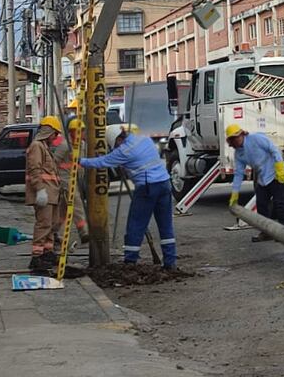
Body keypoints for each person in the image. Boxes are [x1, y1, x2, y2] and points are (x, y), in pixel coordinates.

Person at [79, 125, 177, 270]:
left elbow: (101, 162)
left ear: (117, 139)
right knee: (165, 225)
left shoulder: (123, 151)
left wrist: (80, 161)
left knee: (136, 224)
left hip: (147, 186)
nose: (115, 147)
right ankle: (170, 262)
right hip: (164, 183)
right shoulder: (144, 139)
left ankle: (130, 261)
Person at [225, 125, 284, 241]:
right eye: (233, 139)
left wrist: (280, 167)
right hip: (262, 179)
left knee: (280, 204)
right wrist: (235, 193)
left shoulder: (256, 139)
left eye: (237, 137)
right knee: (261, 205)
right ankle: (266, 232)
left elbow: (273, 150)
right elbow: (239, 174)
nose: (236, 141)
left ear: (242, 134)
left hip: (276, 174)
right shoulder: (239, 154)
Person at [26, 116, 63, 273]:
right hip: (44, 193)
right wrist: (40, 190)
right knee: (43, 225)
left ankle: (47, 253)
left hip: (51, 193)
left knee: (51, 225)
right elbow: (35, 170)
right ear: (49, 132)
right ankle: (36, 257)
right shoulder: (37, 146)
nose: (56, 138)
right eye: (55, 134)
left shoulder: (44, 147)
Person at [49, 117, 89, 252]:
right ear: (72, 132)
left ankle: (55, 233)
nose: (82, 133)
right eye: (80, 131)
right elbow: (54, 162)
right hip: (66, 180)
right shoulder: (65, 145)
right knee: (77, 206)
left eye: (83, 130)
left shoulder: (82, 145)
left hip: (76, 179)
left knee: (63, 213)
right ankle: (84, 232)